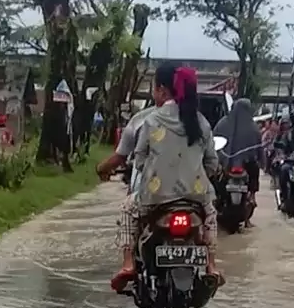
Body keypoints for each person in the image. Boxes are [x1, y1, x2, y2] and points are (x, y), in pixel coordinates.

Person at [97, 63, 221, 291]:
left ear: (163, 90)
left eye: (154, 89)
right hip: (195, 198)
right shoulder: (201, 122)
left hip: (157, 198)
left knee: (127, 210)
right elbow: (212, 163)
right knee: (210, 214)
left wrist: (153, 171)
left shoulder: (152, 120)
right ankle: (212, 266)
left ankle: (127, 264)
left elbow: (140, 158)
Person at [214, 97, 262, 226]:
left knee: (214, 179)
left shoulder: (223, 123)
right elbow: (259, 150)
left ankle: (215, 203)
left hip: (228, 165)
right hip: (242, 165)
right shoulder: (253, 127)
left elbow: (213, 143)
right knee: (254, 171)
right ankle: (252, 197)